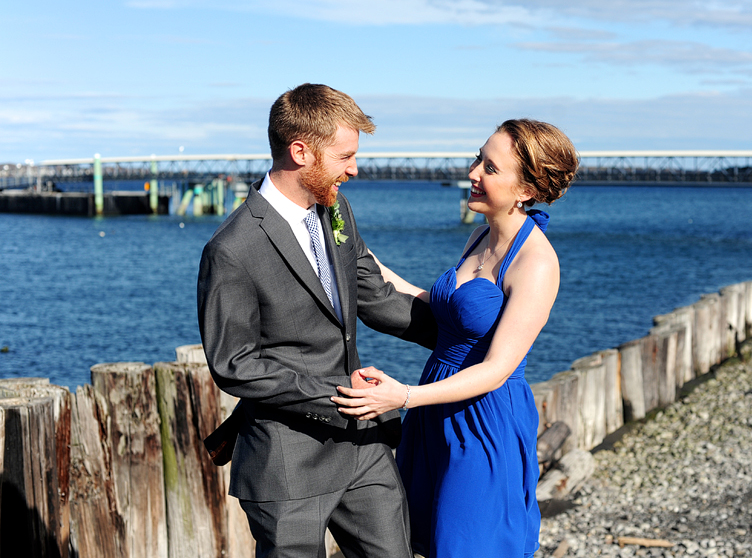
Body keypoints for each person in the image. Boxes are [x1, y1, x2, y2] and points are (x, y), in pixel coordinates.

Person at [197, 83, 437, 558]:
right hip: (287, 460)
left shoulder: (336, 210)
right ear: (300, 151)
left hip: (364, 448)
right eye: (345, 156)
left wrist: (470, 341)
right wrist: (340, 398)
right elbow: (235, 365)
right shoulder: (231, 250)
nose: (354, 168)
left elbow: (376, 297)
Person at [332, 118, 579, 557]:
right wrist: (357, 255)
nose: (473, 173)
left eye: (490, 167)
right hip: (435, 413)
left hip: (484, 421)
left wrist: (403, 396)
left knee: (466, 543)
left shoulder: (537, 264)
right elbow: (439, 304)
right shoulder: (479, 235)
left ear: (525, 190)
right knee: (422, 540)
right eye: (477, 159)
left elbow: (497, 369)